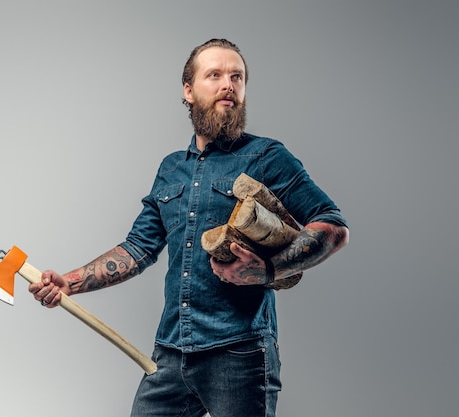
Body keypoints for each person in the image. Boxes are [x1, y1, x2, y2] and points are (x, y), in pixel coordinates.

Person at [29, 38, 349, 417]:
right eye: (214, 75)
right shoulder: (170, 168)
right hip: (170, 353)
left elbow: (332, 225)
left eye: (237, 76)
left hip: (240, 352)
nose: (228, 84)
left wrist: (267, 270)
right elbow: (138, 247)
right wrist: (71, 281)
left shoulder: (266, 156)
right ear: (188, 90)